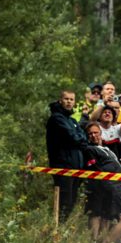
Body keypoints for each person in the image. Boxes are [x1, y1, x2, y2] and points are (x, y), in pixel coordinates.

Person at [83, 122, 121, 243]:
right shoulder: (90, 149)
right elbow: (96, 169)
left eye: (96, 132)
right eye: (90, 134)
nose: (93, 135)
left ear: (100, 133)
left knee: (108, 218)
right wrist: (109, 185)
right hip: (111, 186)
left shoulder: (107, 149)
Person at [45, 90, 88, 221]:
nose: (69, 102)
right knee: (64, 203)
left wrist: (79, 137)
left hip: (75, 167)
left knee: (71, 202)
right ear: (60, 100)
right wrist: (79, 138)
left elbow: (83, 138)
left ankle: (61, 231)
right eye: (66, 99)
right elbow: (74, 138)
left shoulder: (71, 120)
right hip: (63, 167)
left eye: (71, 99)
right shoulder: (56, 118)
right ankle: (56, 231)